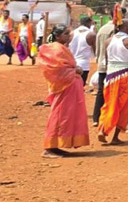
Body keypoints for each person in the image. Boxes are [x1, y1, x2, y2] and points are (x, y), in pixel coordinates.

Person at [38, 24, 90, 157]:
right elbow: (57, 70)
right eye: (66, 34)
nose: (69, 36)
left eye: (69, 34)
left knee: (66, 116)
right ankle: (49, 148)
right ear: (57, 36)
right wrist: (76, 70)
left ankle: (57, 145)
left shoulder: (61, 48)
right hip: (64, 88)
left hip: (70, 88)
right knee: (59, 115)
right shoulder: (57, 49)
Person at [97, 19, 128, 145]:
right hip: (124, 75)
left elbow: (107, 61)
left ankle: (103, 128)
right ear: (126, 27)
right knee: (123, 107)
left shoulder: (108, 41)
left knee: (109, 104)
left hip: (109, 77)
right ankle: (114, 136)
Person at [91, 14, 117, 124]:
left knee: (101, 91)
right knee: (112, 91)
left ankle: (96, 118)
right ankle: (107, 117)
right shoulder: (115, 30)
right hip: (112, 64)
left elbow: (97, 47)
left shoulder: (102, 28)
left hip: (101, 63)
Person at [68, 15, 96, 84]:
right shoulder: (91, 35)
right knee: (80, 86)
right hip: (84, 65)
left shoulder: (71, 33)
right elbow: (95, 50)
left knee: (72, 86)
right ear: (89, 24)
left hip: (72, 64)